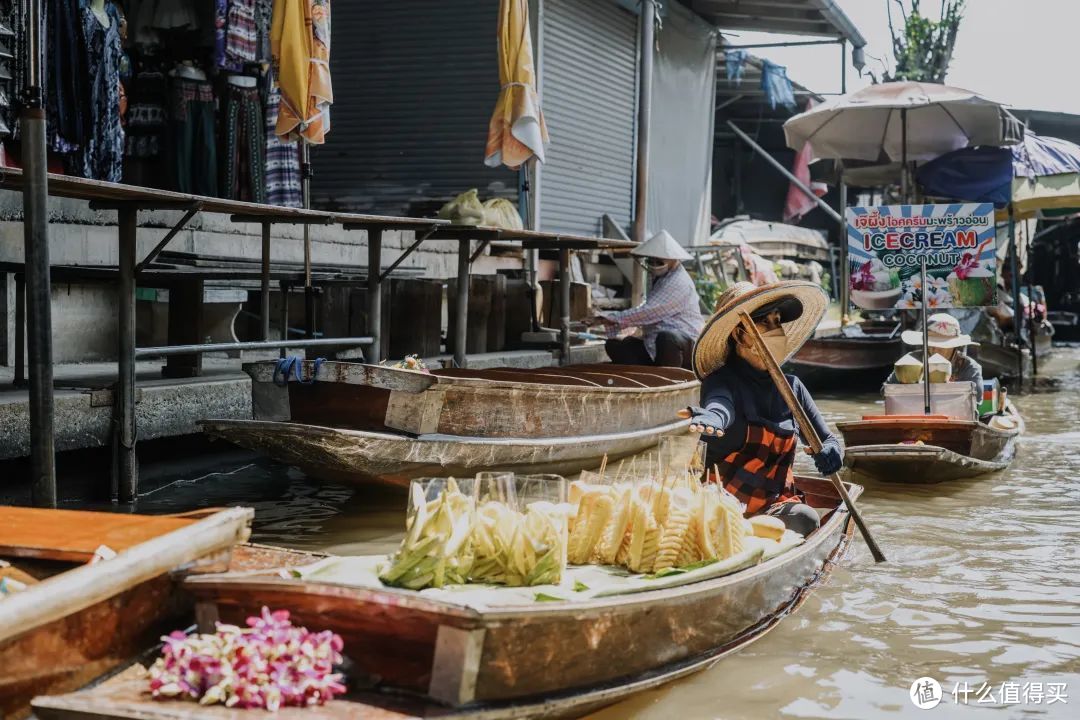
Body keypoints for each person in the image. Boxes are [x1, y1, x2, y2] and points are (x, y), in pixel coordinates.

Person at [682, 281, 841, 537]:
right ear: (738, 335)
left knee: (806, 518)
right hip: (721, 506)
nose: (775, 330)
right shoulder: (722, 381)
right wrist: (712, 419)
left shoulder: (793, 388)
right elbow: (720, 407)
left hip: (774, 506)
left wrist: (833, 452)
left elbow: (827, 439)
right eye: (764, 323)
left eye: (777, 321)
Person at [597, 230, 703, 369]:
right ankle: (649, 372)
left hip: (682, 345)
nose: (653, 264)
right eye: (650, 261)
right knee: (614, 344)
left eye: (658, 261)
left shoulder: (678, 282)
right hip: (654, 344)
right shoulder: (660, 277)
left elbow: (649, 312)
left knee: (667, 338)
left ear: (673, 260)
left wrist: (611, 318)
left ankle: (671, 378)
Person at [885, 312, 983, 395]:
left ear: (954, 347)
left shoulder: (969, 367)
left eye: (943, 345)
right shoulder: (912, 360)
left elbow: (975, 401)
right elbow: (886, 391)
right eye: (931, 344)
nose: (936, 349)